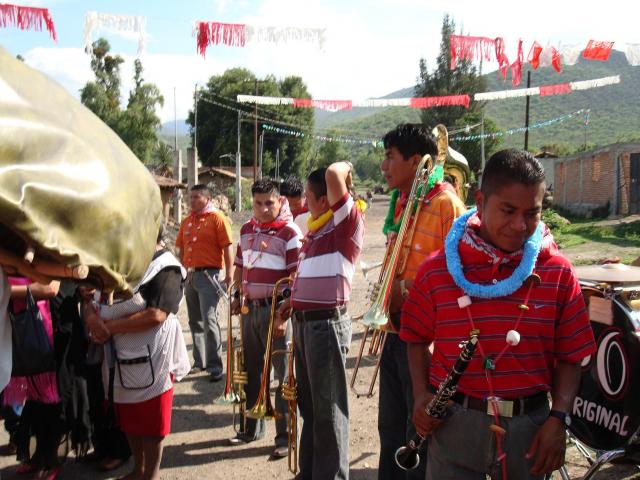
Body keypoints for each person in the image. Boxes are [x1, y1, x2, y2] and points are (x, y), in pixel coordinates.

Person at [400, 149, 597, 480]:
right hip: (453, 426)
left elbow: (571, 356)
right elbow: (415, 339)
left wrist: (558, 418)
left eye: (532, 213)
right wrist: (422, 395)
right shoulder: (438, 270)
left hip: (530, 431)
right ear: (479, 201)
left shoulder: (558, 272)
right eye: (508, 210)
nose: (520, 225)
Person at [376, 123, 465, 480]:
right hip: (397, 332)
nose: (384, 166)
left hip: (428, 345)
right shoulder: (404, 204)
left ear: (415, 161)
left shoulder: (447, 204)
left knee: (421, 434)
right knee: (390, 430)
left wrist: (408, 291)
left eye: (389, 157)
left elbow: (458, 278)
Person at [277, 162, 364, 480]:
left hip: (325, 326)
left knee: (328, 412)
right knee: (310, 409)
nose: (303, 204)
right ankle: (311, 472)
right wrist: (292, 302)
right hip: (305, 324)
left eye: (309, 198)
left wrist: (347, 167)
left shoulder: (344, 227)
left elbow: (333, 174)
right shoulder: (315, 231)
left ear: (325, 200)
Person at [84, 224, 190, 480]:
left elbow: (157, 314)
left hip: (154, 355)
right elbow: (89, 297)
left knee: (152, 422)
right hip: (120, 356)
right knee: (128, 414)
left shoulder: (167, 267)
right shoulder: (118, 264)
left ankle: (150, 475)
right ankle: (138, 469)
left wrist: (109, 327)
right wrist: (92, 319)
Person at [228, 179, 302, 458]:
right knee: (251, 370)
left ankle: (285, 437)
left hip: (278, 312)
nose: (263, 209)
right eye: (258, 203)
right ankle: (251, 428)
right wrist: (237, 296)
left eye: (269, 203)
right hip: (250, 311)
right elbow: (239, 267)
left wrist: (284, 314)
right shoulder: (246, 229)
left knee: (284, 376)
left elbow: (295, 278)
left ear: (279, 201)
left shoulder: (290, 232)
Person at [3, 277, 62, 479]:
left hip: (41, 328)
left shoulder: (43, 254)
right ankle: (38, 457)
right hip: (16, 328)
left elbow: (50, 289)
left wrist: (7, 290)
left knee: (48, 401)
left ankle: (50, 460)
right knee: (33, 403)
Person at [176, 184, 234, 382]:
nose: (191, 200)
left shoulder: (217, 218)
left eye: (196, 197)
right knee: (194, 321)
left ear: (207, 198)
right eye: (190, 197)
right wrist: (182, 270)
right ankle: (199, 362)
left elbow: (227, 248)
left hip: (209, 276)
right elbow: (181, 248)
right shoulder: (186, 221)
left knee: (209, 320)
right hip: (190, 276)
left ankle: (215, 365)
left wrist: (230, 274)